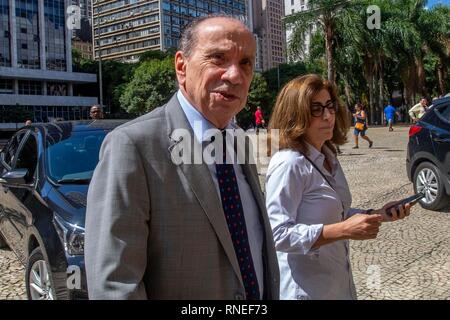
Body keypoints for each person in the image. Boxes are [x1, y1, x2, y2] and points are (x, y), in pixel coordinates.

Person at [85, 15, 279, 300]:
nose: (235, 75)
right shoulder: (133, 146)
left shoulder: (237, 142)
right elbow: (115, 285)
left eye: (246, 63)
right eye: (218, 58)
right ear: (181, 66)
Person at [265, 74, 413, 300]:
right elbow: (277, 235)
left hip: (337, 284)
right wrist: (343, 231)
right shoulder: (288, 163)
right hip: (306, 291)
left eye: (329, 105)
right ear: (295, 116)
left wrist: (377, 215)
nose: (327, 115)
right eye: (316, 109)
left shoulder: (328, 154)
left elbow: (338, 213)